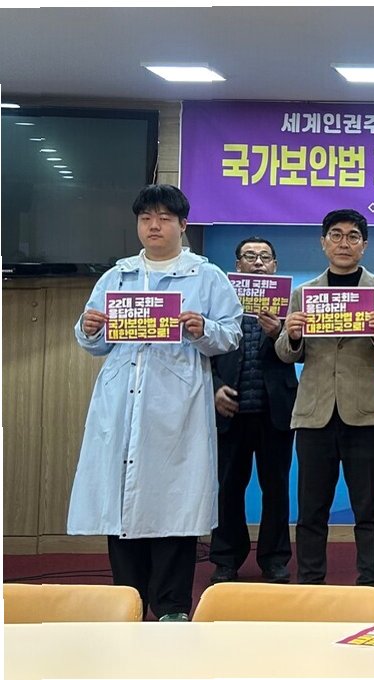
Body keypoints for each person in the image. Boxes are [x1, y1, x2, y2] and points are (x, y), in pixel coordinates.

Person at [69, 184, 243, 621]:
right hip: (121, 402)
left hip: (176, 404)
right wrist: (89, 329)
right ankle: (128, 602)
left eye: (164, 218)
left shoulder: (206, 276)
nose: (154, 226)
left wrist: (203, 328)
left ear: (183, 225)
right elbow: (94, 341)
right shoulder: (118, 275)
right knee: (122, 502)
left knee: (174, 504)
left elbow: (231, 335)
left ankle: (171, 607)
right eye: (146, 218)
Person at [276, 209, 374, 588]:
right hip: (314, 413)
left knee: (368, 508)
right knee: (311, 509)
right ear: (323, 243)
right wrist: (293, 335)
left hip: (363, 413)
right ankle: (311, 582)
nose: (344, 243)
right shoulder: (304, 293)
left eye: (353, 236)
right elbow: (286, 353)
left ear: (364, 245)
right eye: (336, 235)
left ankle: (371, 583)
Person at [209, 237, 298, 585]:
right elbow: (202, 352)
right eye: (250, 256)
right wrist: (215, 387)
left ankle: (274, 559)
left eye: (265, 257)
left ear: (275, 265)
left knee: (276, 489)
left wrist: (279, 333)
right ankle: (226, 559)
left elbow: (303, 349)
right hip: (229, 410)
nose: (258, 262)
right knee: (228, 488)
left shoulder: (292, 304)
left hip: (275, 410)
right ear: (237, 265)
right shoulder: (219, 304)